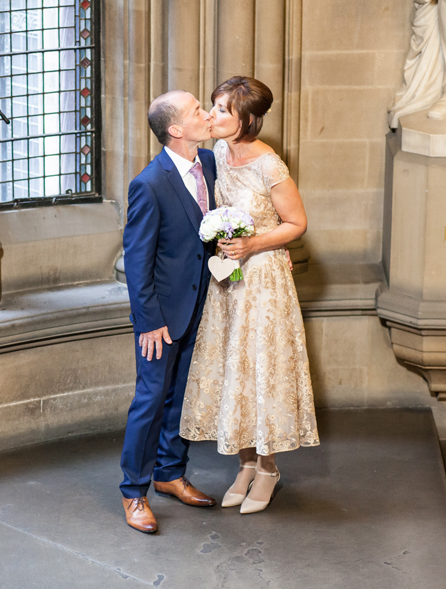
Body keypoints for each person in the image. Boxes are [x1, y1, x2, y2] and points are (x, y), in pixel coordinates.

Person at [179, 76, 319, 515]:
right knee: (232, 368)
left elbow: (296, 223)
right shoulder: (219, 153)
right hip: (228, 283)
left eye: (223, 110)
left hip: (263, 281)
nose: (214, 116)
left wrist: (253, 244)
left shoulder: (269, 165)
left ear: (248, 121)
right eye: (215, 106)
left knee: (261, 368)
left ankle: (269, 468)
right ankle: (244, 464)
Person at [119, 90, 218, 534]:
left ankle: (169, 473)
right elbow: (137, 261)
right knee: (151, 401)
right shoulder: (149, 183)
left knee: (184, 396)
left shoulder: (211, 165)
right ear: (175, 130)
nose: (207, 113)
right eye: (198, 110)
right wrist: (150, 321)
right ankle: (134, 493)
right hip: (162, 317)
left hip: (203, 306)